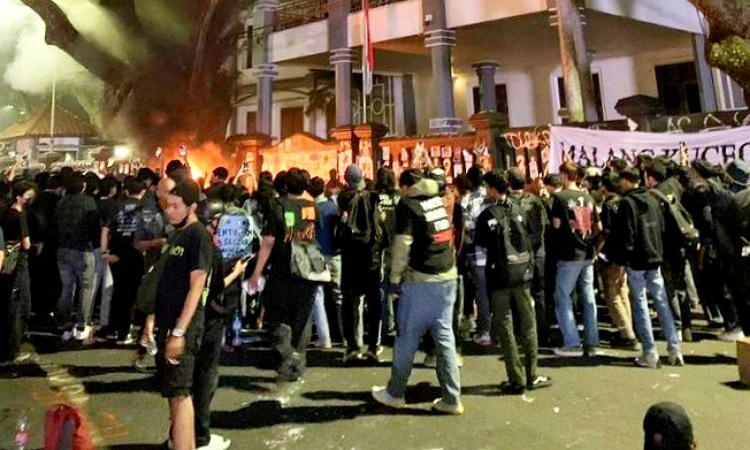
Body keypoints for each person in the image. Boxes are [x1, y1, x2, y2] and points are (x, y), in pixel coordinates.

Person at [371, 169, 463, 415]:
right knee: (444, 338)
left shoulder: (408, 205)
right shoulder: (437, 199)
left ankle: (395, 393)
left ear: (405, 187)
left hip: (422, 279)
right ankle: (452, 399)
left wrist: (394, 278)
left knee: (406, 338)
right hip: (448, 275)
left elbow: (403, 244)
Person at [474, 170, 551, 395]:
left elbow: (481, 245)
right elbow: (535, 237)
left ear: (492, 188)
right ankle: (531, 373)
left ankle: (516, 377)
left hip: (498, 276)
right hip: (523, 272)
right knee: (528, 323)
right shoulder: (522, 208)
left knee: (505, 326)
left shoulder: (487, 215)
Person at [155, 179, 213, 450]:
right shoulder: (178, 234)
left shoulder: (198, 236)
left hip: (183, 328)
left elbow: (197, 285)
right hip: (167, 323)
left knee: (180, 394)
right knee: (172, 393)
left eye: (176, 206)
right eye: (168, 205)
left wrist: (179, 332)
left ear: (191, 207)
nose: (170, 211)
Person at [247, 168, 319, 381]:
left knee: (277, 316)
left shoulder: (278, 206)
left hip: (283, 269)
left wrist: (257, 272)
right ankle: (298, 360)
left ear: (286, 186)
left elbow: (268, 241)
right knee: (303, 317)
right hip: (307, 269)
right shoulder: (311, 207)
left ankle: (287, 355)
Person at [613, 167, 683, 368]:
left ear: (627, 181)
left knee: (640, 303)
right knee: (661, 301)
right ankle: (674, 349)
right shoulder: (653, 198)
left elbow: (628, 234)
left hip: (637, 259)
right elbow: (661, 227)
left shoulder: (627, 203)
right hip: (655, 256)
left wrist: (623, 262)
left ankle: (650, 352)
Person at [192, 198, 247, 450]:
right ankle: (200, 437)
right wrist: (236, 273)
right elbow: (212, 287)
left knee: (187, 382)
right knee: (205, 377)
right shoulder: (209, 247)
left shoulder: (187, 239)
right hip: (207, 317)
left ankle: (180, 435)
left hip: (188, 318)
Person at [551, 162, 601, 357]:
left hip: (569, 252)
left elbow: (556, 225)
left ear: (564, 175)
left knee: (563, 297)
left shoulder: (559, 197)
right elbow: (598, 226)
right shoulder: (588, 197)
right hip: (587, 251)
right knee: (588, 298)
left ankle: (572, 343)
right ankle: (592, 342)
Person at [337, 164, 382, 362]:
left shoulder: (343, 198)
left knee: (350, 302)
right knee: (373, 302)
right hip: (371, 256)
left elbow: (340, 225)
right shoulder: (373, 197)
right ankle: (373, 346)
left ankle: (353, 346)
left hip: (350, 256)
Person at [53, 173, 100, 342]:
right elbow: (94, 226)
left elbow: (55, 226)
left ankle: (64, 324)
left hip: (63, 249)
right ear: (83, 186)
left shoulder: (61, 203)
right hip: (83, 249)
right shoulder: (88, 202)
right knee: (86, 288)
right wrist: (97, 246)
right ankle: (82, 325)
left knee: (67, 288)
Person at [597, 171, 638, 350]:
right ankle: (628, 327)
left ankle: (627, 333)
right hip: (625, 253)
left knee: (612, 294)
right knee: (623, 291)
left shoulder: (608, 205)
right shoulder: (624, 202)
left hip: (612, 254)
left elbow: (607, 232)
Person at [0, 180, 34, 362]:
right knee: (20, 305)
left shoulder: (5, 212)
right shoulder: (20, 216)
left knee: (9, 302)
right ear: (20, 197)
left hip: (7, 261)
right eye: (28, 196)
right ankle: (13, 348)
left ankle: (8, 345)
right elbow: (26, 244)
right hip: (19, 262)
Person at [459, 164, 493, 346]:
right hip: (496, 252)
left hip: (476, 253)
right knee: (496, 291)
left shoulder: (466, 200)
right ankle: (500, 330)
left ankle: (484, 331)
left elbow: (467, 230)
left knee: (481, 293)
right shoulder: (493, 196)